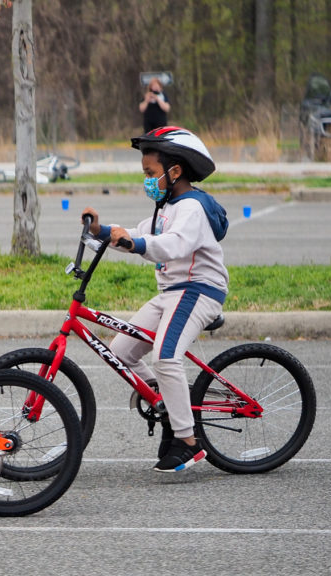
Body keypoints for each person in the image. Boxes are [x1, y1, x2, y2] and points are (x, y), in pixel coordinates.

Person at [81, 126, 229, 473]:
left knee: (165, 356)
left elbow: (174, 243)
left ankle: (188, 442)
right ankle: (165, 401)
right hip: (172, 294)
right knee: (120, 351)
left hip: (199, 291)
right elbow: (138, 233)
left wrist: (138, 245)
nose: (146, 180)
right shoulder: (166, 207)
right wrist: (100, 231)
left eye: (150, 173)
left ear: (174, 172)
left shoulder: (191, 207)